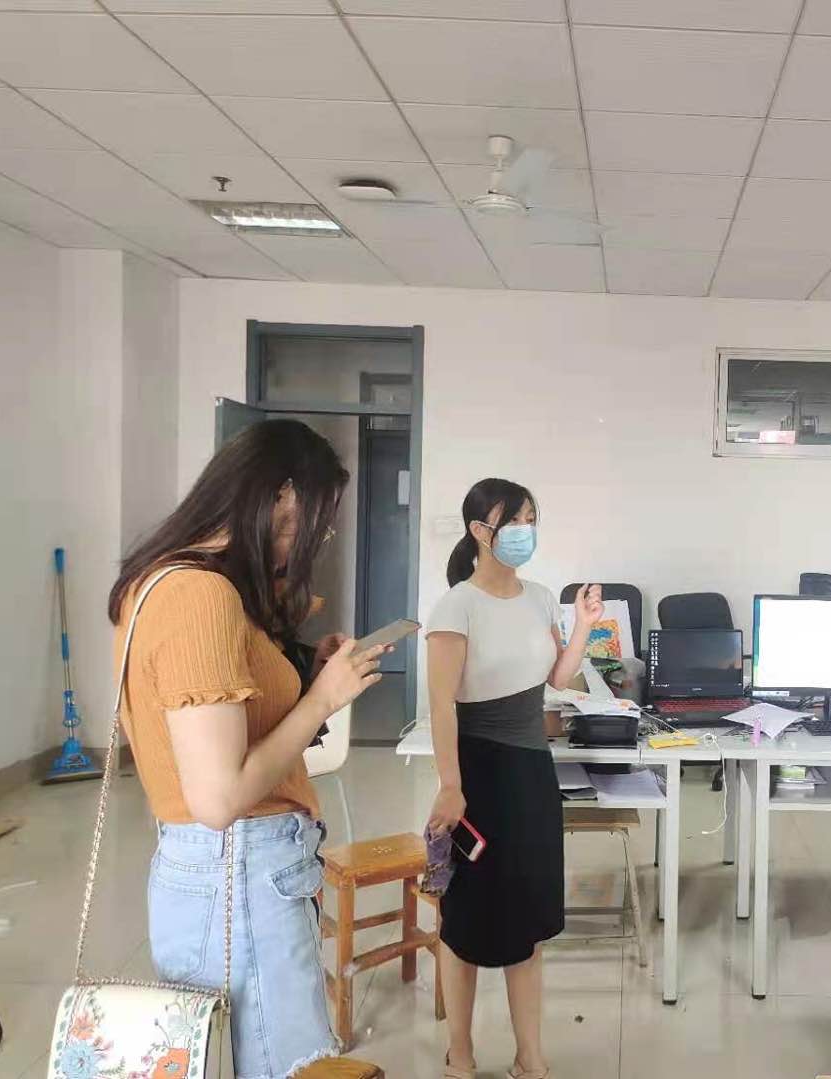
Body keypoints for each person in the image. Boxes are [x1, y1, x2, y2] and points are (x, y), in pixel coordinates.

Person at [107, 419, 388, 1079]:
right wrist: (323, 701)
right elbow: (219, 797)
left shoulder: (161, 581)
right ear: (280, 494)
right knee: (283, 1065)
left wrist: (305, 671)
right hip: (238, 874)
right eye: (316, 522)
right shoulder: (199, 597)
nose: (315, 539)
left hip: (218, 874)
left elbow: (224, 715)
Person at [425, 478, 603, 1079]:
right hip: (478, 773)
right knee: (466, 921)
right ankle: (461, 1053)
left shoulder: (541, 597)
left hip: (531, 773)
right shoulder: (456, 606)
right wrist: (450, 785)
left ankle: (531, 1057)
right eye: (515, 521)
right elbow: (442, 705)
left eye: (531, 518)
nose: (526, 530)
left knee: (526, 918)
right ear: (480, 531)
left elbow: (558, 677)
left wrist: (584, 624)